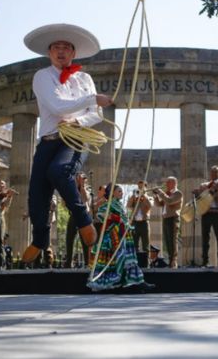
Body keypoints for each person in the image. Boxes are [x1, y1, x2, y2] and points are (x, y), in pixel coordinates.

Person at [21, 24, 114, 264]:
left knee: (60, 171)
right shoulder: (42, 76)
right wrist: (93, 99)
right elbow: (57, 106)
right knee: (36, 198)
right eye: (56, 48)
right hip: (49, 139)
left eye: (66, 48)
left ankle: (83, 218)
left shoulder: (85, 78)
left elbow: (96, 115)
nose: (61, 52)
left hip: (76, 138)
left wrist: (78, 120)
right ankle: (40, 240)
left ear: (73, 53)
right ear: (49, 52)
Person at [87, 184, 155, 293]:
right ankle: (117, 284)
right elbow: (100, 214)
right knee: (117, 259)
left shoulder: (119, 205)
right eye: (119, 191)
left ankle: (139, 282)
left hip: (124, 236)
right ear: (112, 193)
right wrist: (116, 218)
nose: (122, 193)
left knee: (129, 259)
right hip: (114, 236)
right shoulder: (108, 205)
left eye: (122, 191)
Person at [194, 165, 218, 268]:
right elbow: (200, 198)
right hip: (206, 213)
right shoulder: (204, 184)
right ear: (210, 173)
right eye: (212, 172)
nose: (214, 174)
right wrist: (201, 191)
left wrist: (217, 189)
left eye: (216, 172)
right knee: (205, 238)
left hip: (217, 213)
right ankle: (204, 262)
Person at [152, 176, 183, 268]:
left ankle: (173, 262)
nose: (166, 184)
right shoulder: (167, 194)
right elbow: (159, 204)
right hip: (166, 219)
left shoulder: (178, 193)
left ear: (174, 183)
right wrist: (156, 195)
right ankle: (170, 260)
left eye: (168, 182)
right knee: (168, 240)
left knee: (173, 241)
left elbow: (170, 201)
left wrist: (160, 192)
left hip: (173, 218)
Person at [64, 173, 92, 268]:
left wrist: (82, 186)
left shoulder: (88, 190)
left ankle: (87, 262)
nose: (81, 179)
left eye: (83, 178)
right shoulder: (72, 189)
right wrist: (75, 186)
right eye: (79, 178)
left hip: (83, 216)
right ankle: (68, 262)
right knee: (69, 239)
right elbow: (66, 202)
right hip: (73, 215)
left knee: (84, 240)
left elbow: (86, 199)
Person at [127, 180, 153, 254]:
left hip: (144, 223)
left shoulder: (149, 198)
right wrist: (133, 196)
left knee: (146, 245)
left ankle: (146, 264)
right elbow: (128, 206)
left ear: (145, 187)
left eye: (141, 187)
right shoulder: (134, 198)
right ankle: (135, 263)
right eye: (139, 187)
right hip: (135, 223)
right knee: (134, 245)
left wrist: (144, 195)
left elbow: (150, 205)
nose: (140, 188)